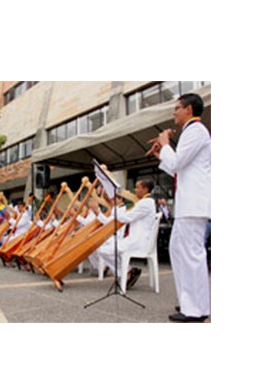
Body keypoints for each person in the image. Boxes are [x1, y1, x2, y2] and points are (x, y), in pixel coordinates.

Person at [152, 93, 211, 322]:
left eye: (177, 107)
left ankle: (196, 309)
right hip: (189, 203)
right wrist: (161, 154)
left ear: (188, 109)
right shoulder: (193, 132)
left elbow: (177, 162)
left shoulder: (195, 130)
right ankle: (192, 302)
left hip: (193, 204)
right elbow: (179, 170)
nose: (173, 112)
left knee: (190, 255)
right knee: (179, 251)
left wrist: (166, 144)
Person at [89, 179, 157, 290]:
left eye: (137, 187)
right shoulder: (145, 202)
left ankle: (126, 273)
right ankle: (128, 272)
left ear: (145, 189)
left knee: (103, 250)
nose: (135, 190)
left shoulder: (145, 203)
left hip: (138, 241)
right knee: (104, 249)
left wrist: (99, 210)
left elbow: (126, 218)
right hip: (135, 239)